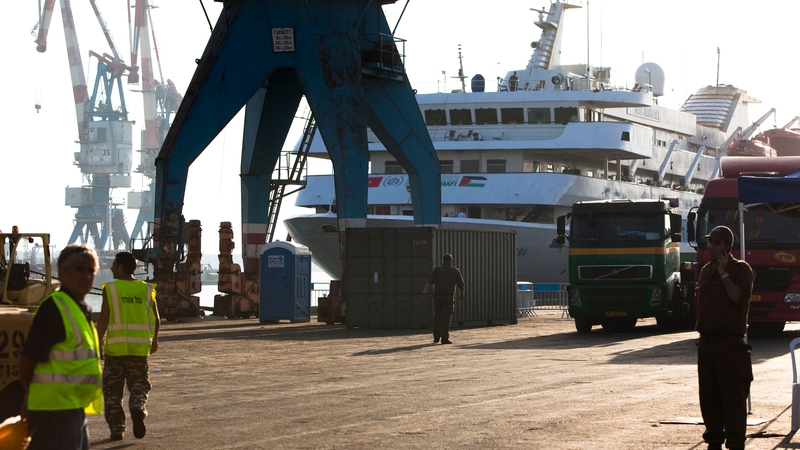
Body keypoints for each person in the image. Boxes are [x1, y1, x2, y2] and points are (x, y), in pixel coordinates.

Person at [18, 244, 103, 450]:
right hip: (55, 410)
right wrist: (30, 402)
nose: (86, 276)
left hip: (73, 407)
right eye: (79, 269)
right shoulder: (55, 308)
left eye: (91, 271)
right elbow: (27, 361)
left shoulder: (78, 308)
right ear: (62, 274)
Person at [696, 226, 755, 450]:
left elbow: (739, 299)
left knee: (732, 399)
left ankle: (735, 442)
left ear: (727, 247)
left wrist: (723, 273)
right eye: (710, 242)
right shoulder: (705, 270)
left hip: (730, 343)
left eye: (717, 243)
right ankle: (713, 440)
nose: (711, 247)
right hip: (708, 342)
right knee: (709, 397)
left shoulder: (740, 269)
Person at [96, 252, 160, 441]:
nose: (112, 268)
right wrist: (154, 340)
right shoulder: (147, 289)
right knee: (139, 385)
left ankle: (117, 429)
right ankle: (137, 406)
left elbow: (104, 318)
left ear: (122, 267)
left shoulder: (111, 289)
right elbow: (156, 318)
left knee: (112, 392)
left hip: (115, 351)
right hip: (138, 349)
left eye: (114, 264)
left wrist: (97, 341)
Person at [422, 253, 465, 344]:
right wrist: (461, 295)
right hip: (448, 297)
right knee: (446, 317)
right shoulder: (455, 271)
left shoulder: (436, 270)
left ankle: (436, 337)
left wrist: (424, 293)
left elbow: (429, 283)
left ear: (443, 260)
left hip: (437, 297)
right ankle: (444, 338)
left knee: (437, 316)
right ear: (450, 261)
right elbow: (461, 285)